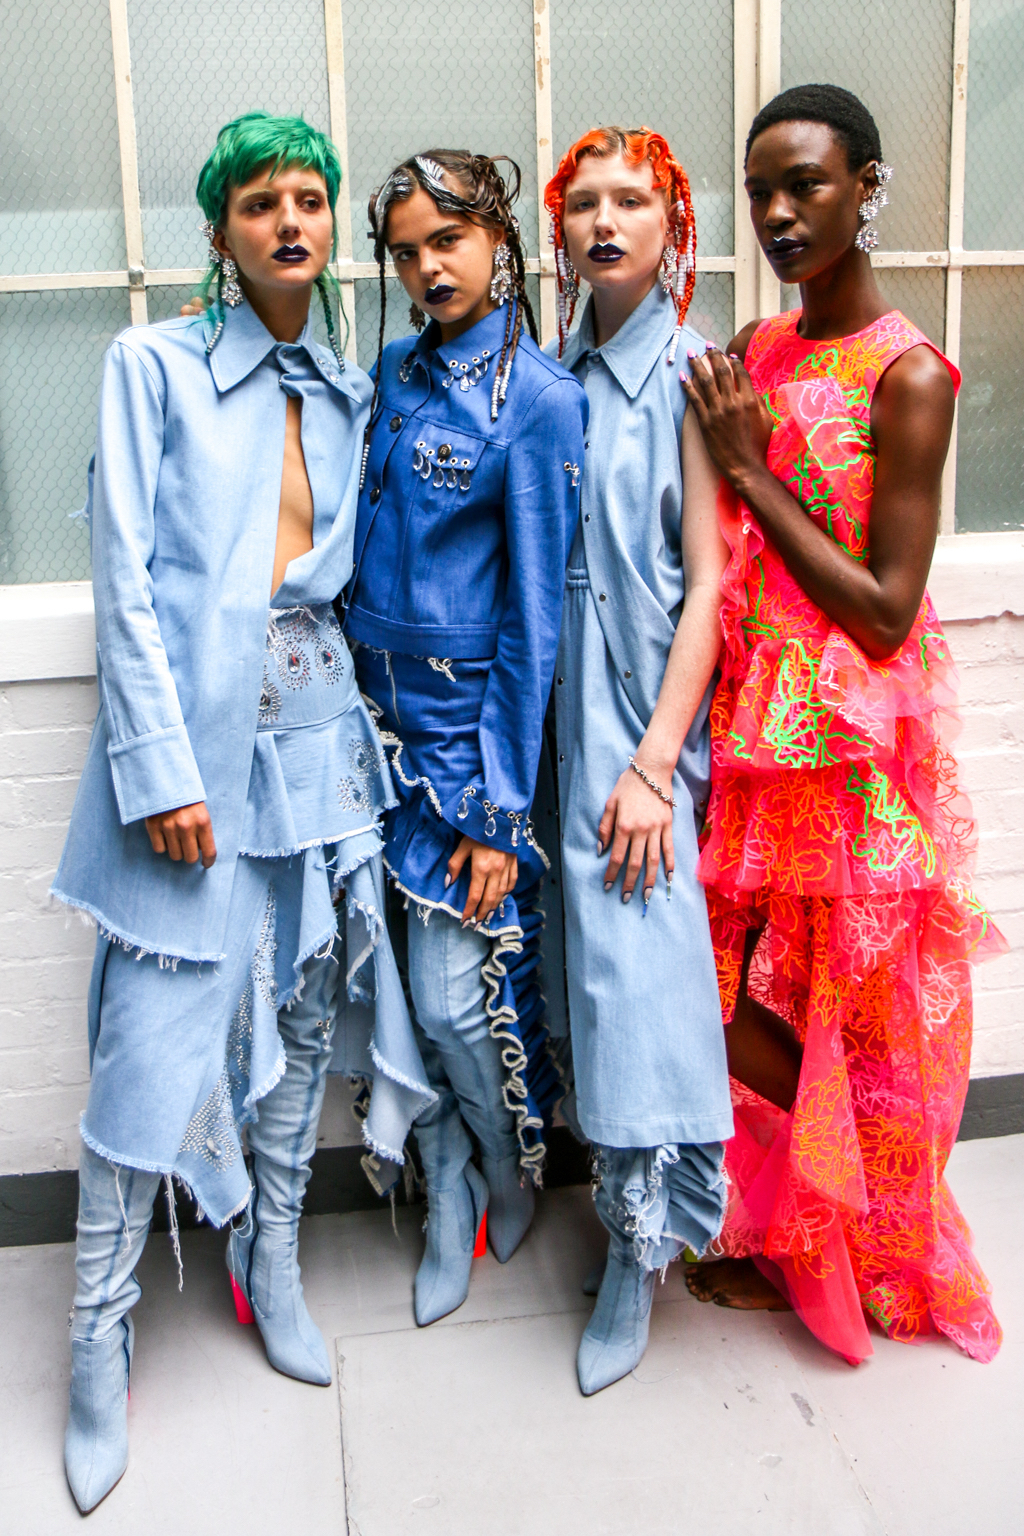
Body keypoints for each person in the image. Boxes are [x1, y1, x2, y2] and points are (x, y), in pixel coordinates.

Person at [52, 113, 429, 1513]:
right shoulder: (148, 365)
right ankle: (96, 1334)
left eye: (310, 200)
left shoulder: (346, 388)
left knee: (304, 1019)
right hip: (197, 757)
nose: (290, 221)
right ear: (219, 231)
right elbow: (126, 579)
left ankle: (271, 1261)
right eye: (260, 201)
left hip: (321, 746)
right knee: (153, 1037)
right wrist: (160, 770)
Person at [682, 84, 1005, 1364]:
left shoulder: (908, 373)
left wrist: (754, 469)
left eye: (805, 184)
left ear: (865, 187)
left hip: (853, 758)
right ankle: (801, 1233)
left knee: (856, 1020)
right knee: (728, 993)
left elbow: (883, 610)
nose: (777, 212)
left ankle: (870, 1255)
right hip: (754, 737)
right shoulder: (757, 351)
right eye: (759, 189)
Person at [344, 150, 587, 1326]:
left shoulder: (539, 400)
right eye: (404, 252)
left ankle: (505, 1160)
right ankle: (442, 1184)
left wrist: (496, 810)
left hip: (458, 748)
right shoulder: (389, 374)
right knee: (395, 995)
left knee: (453, 999)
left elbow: (535, 623)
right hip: (361, 737)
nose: (426, 269)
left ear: (498, 238)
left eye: (446, 240)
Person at [543, 126, 734, 1395]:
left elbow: (709, 583)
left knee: (635, 980)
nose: (605, 221)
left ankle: (639, 1250)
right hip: (554, 713)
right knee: (580, 973)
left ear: (673, 227)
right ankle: (608, 1205)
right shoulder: (553, 370)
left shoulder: (688, 373)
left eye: (632, 201)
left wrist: (658, 763)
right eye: (584, 203)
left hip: (639, 717)